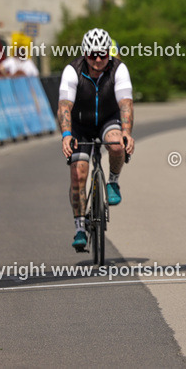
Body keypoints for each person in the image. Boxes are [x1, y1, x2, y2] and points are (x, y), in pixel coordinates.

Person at [58, 28, 135, 251]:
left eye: (103, 54)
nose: (99, 59)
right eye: (93, 55)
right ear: (85, 54)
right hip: (79, 123)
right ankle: (80, 227)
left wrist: (127, 132)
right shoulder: (73, 71)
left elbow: (126, 104)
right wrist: (66, 135)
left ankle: (113, 181)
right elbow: (64, 106)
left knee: (116, 143)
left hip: (107, 119)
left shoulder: (118, 69)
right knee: (79, 172)